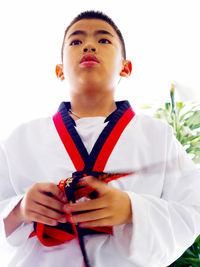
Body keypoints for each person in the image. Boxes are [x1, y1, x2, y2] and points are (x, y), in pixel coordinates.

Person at [0, 10, 200, 267]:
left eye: (104, 40)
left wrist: (131, 209)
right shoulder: (20, 140)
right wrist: (19, 210)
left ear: (125, 67)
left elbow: (193, 210)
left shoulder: (158, 136)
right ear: (59, 70)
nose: (89, 46)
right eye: (76, 41)